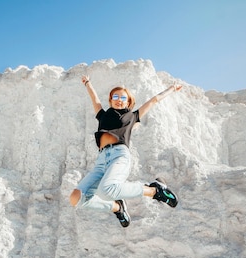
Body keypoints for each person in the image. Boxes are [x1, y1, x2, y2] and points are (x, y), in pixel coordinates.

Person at [69, 75, 182, 227]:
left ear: (128, 102)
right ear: (110, 100)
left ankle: (154, 190)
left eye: (123, 97)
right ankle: (117, 207)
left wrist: (172, 89)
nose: (119, 99)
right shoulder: (102, 115)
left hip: (119, 155)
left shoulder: (132, 116)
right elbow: (94, 99)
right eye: (115, 96)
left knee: (106, 190)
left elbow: (154, 100)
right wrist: (88, 83)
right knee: (76, 198)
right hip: (101, 160)